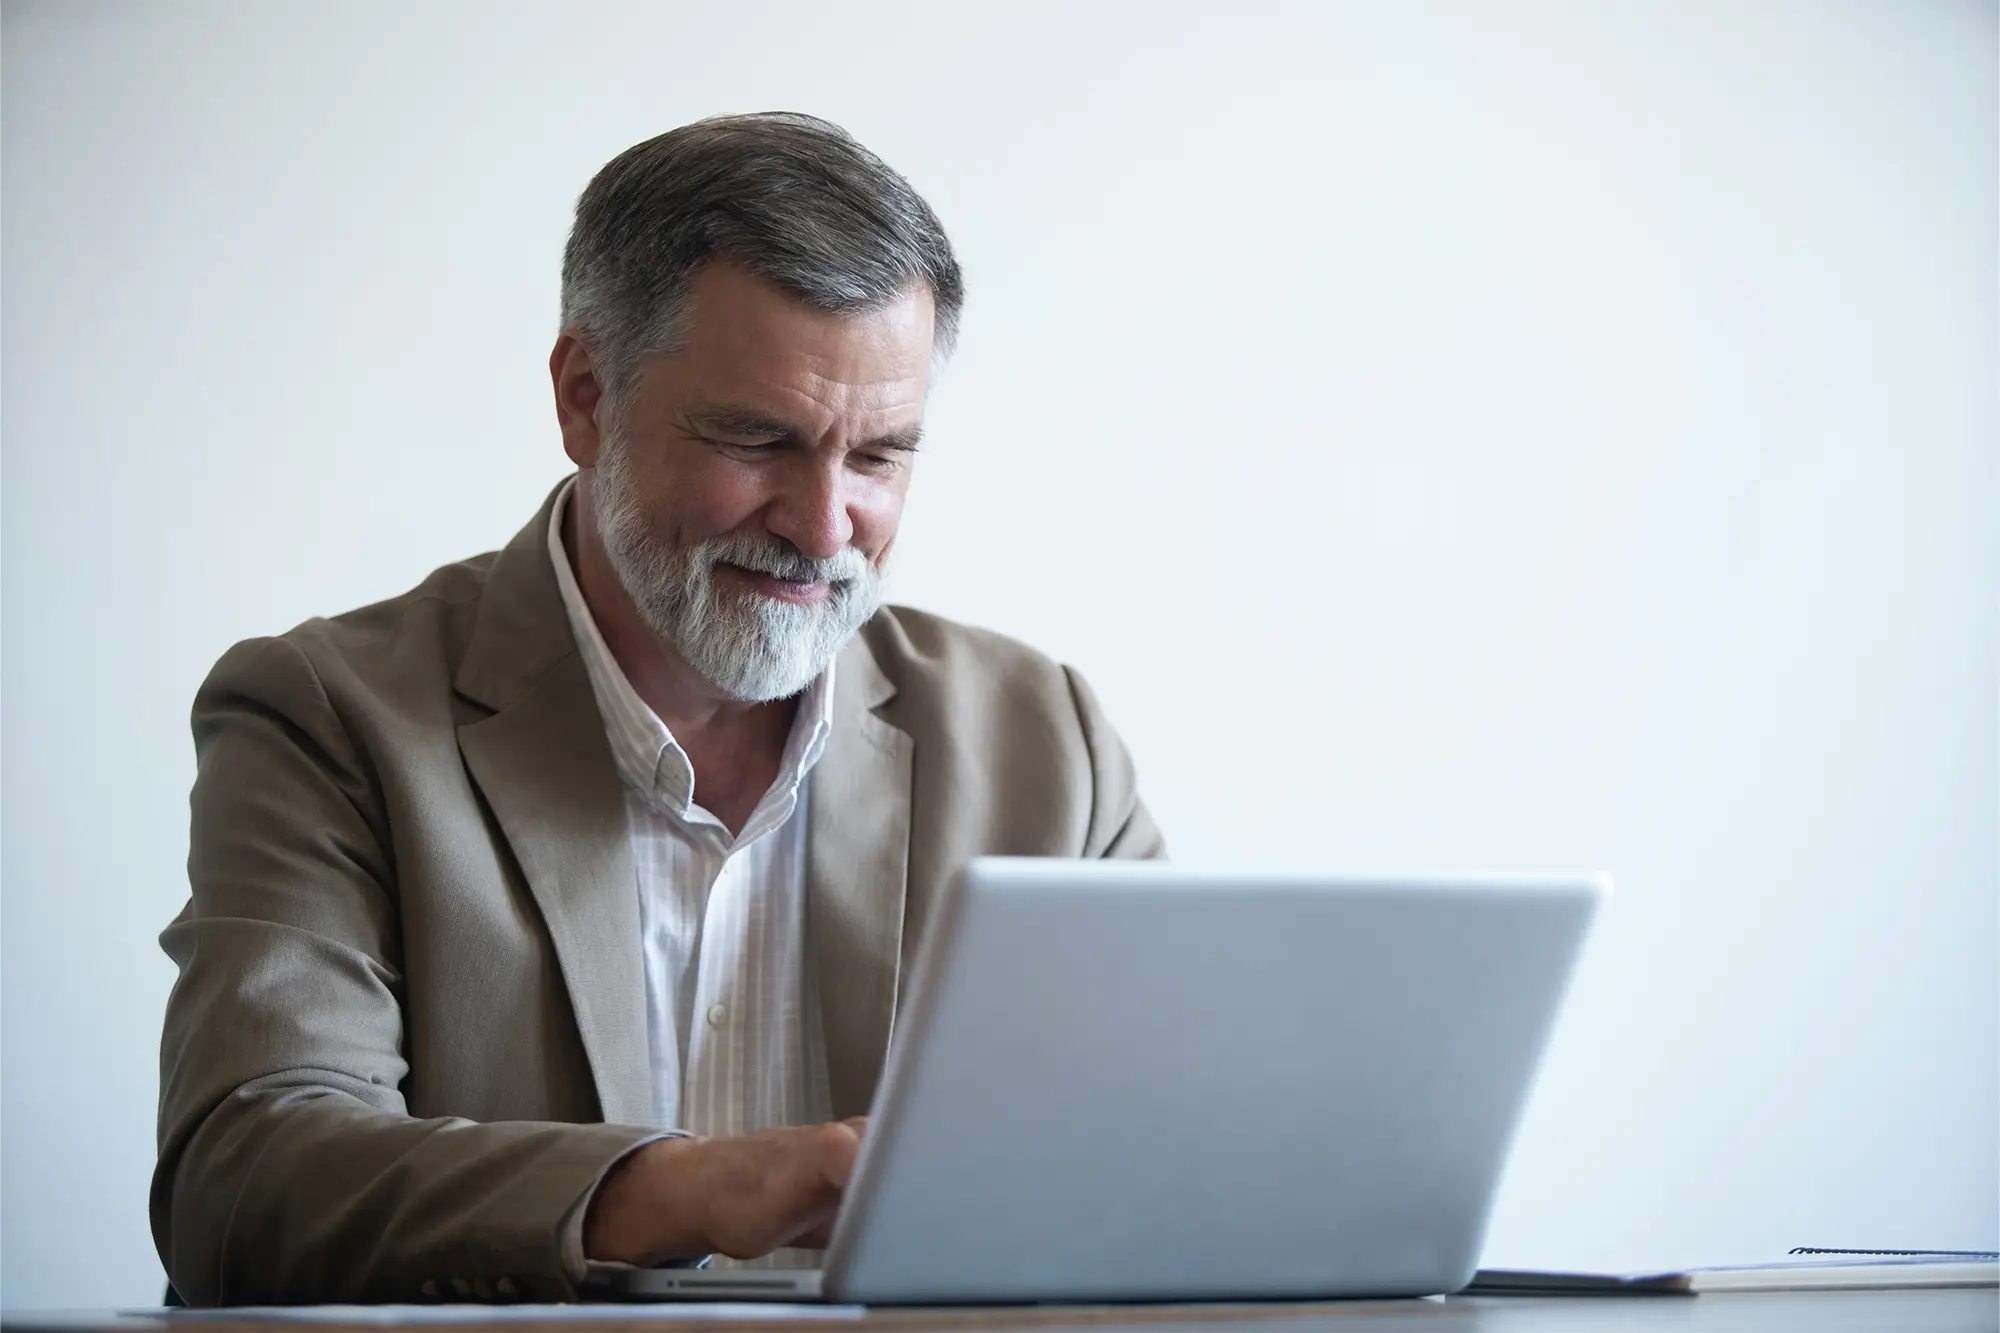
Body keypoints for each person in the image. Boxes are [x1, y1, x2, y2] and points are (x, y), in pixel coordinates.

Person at [152, 112, 1164, 1307]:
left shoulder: (1048, 743)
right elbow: (247, 1175)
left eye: (880, 457)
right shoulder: (332, 718)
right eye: (756, 438)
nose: (822, 524)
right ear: (585, 397)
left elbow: (1176, 1157)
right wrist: (690, 1189)